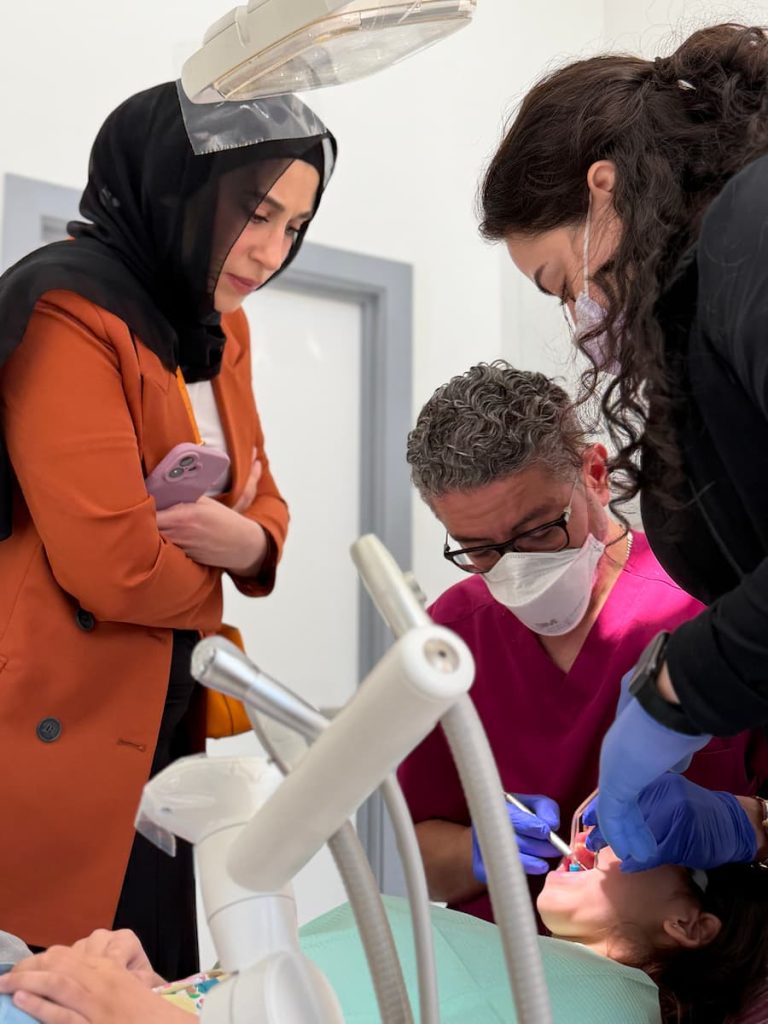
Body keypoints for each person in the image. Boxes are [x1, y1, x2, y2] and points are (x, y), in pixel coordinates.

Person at [0, 82, 336, 978]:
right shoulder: (66, 310)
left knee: (154, 984)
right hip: (57, 723)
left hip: (162, 719)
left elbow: (268, 502)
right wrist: (220, 567)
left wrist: (248, 544)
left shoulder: (219, 329)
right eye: (255, 214)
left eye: (292, 228)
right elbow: (110, 566)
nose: (268, 253)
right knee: (61, 987)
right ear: (178, 188)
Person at [477, 22, 768, 867]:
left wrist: (675, 689)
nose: (577, 319)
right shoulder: (704, 307)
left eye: (563, 284)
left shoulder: (750, 227)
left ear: (606, 192)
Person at [397, 361, 768, 924]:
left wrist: (746, 825)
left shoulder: (710, 601)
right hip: (508, 973)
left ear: (594, 473)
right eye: (479, 549)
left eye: (541, 528)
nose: (515, 568)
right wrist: (480, 851)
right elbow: (417, 853)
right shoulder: (451, 635)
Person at [2, 839, 768, 1023]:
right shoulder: (493, 954)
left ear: (691, 924)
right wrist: (155, 989)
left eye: (643, 845)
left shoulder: (607, 1009)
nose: (599, 841)